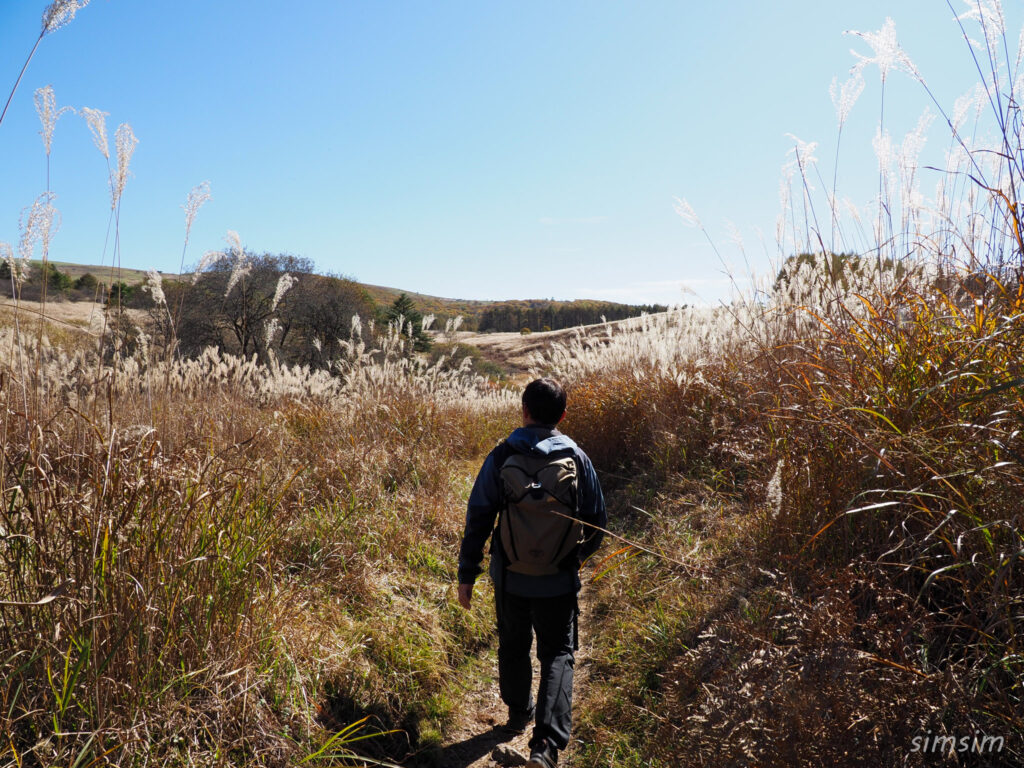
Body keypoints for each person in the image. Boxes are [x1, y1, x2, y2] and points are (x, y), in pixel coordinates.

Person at [457, 378, 606, 768]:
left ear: (523, 410)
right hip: (557, 578)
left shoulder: (502, 454)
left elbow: (479, 517)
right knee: (558, 653)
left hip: (510, 575)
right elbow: (598, 522)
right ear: (562, 415)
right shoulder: (576, 456)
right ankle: (545, 748)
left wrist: (466, 574)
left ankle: (517, 712)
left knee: (513, 641)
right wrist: (572, 558)